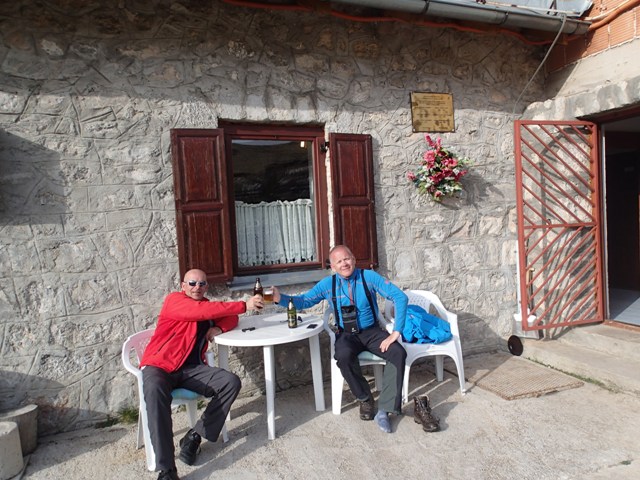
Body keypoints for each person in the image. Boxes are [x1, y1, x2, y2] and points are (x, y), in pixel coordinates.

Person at [140, 269, 263, 480]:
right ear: (183, 286)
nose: (197, 287)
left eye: (202, 284)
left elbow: (230, 316)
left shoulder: (206, 306)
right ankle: (167, 469)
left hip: (191, 369)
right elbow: (199, 312)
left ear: (206, 287)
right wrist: (245, 305)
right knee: (153, 391)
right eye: (192, 283)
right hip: (160, 365)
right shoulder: (174, 301)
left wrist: (218, 328)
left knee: (230, 382)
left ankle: (195, 435)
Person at [272, 245, 408, 434]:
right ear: (333, 267)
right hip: (346, 334)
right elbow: (304, 301)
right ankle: (364, 398)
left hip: (371, 332)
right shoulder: (328, 284)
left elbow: (400, 297)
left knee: (398, 352)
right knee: (343, 356)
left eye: (347, 259)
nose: (344, 264)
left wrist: (396, 332)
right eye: (339, 261)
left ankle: (385, 409)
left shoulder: (369, 277)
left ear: (354, 259)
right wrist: (280, 298)